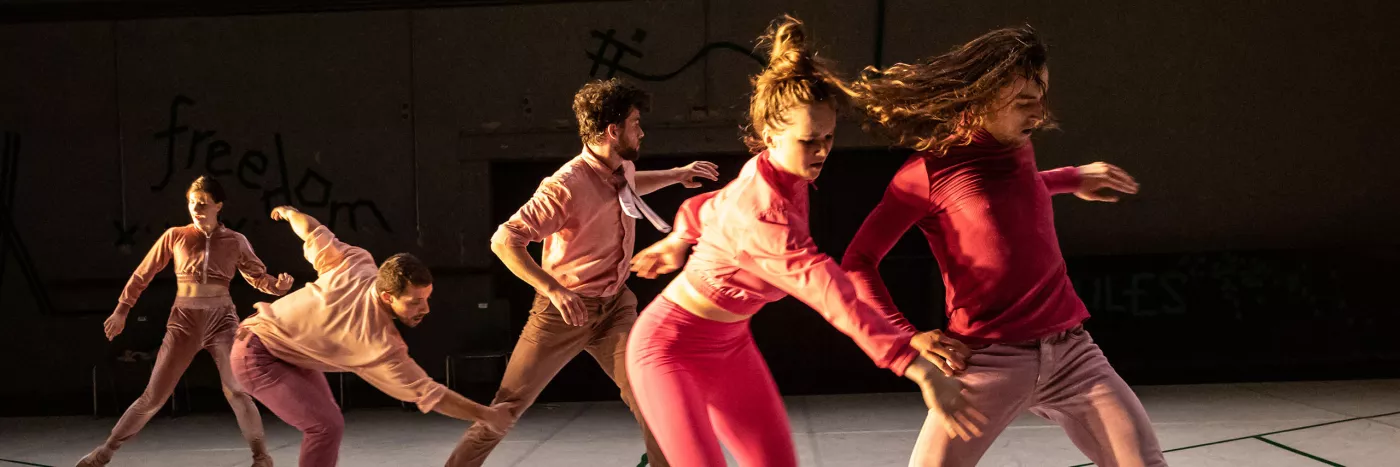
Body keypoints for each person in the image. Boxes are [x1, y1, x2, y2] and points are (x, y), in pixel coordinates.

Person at [623, 16, 984, 467]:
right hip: (668, 348)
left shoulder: (771, 173)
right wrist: (911, 364)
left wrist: (678, 239)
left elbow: (710, 206)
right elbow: (830, 290)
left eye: (829, 138)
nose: (821, 151)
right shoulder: (765, 212)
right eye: (809, 141)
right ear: (770, 134)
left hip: (730, 345)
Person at [842, 26, 1164, 466]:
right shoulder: (928, 173)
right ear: (979, 98)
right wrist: (908, 337)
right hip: (985, 360)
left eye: (1042, 97)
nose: (1038, 114)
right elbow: (858, 262)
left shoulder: (1018, 148)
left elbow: (1006, 196)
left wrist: (1071, 178)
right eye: (1024, 103)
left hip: (1072, 354)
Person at [444, 78, 719, 467]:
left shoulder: (620, 165)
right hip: (564, 311)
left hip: (614, 308)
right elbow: (504, 240)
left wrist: (676, 174)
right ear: (613, 130)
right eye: (636, 123)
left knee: (650, 392)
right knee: (507, 406)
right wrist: (554, 290)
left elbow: (626, 188)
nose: (642, 131)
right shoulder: (565, 186)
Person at [231, 205, 512, 467]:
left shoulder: (356, 264)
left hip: (283, 348)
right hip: (255, 354)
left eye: (427, 298)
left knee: (329, 425)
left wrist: (291, 213)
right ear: (388, 296)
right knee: (325, 426)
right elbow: (430, 393)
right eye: (414, 302)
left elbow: (314, 232)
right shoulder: (375, 341)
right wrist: (486, 415)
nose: (424, 309)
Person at [79, 176, 291, 467]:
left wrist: (277, 287)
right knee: (153, 396)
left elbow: (257, 277)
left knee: (237, 390)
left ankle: (261, 457)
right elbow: (143, 274)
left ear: (218, 205)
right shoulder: (175, 235)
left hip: (222, 321)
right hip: (184, 321)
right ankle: (105, 452)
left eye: (203, 203)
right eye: (192, 203)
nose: (196, 208)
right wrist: (121, 309)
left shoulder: (235, 241)